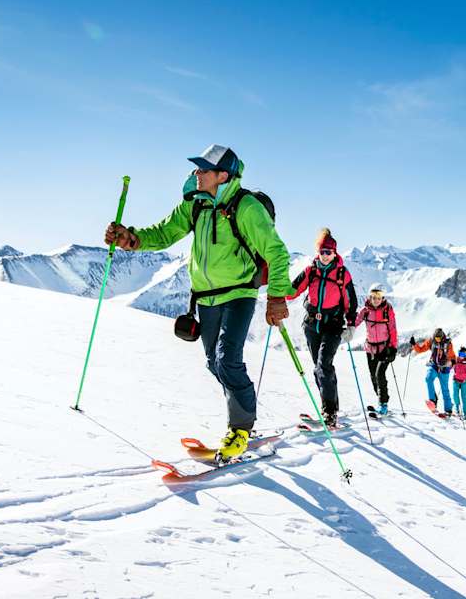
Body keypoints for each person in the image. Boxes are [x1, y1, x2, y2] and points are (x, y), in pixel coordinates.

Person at [104, 144, 293, 461]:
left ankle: (241, 429)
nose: (197, 173)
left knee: (227, 358)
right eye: (197, 168)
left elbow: (277, 252)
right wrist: (130, 238)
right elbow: (164, 233)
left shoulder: (246, 207)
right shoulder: (195, 204)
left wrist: (276, 297)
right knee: (213, 362)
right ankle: (243, 416)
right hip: (206, 297)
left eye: (204, 169)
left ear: (223, 175)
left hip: (240, 293)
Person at [287, 228, 358, 428]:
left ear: (335, 253)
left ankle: (330, 412)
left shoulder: (343, 274)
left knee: (324, 365)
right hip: (311, 325)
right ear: (318, 252)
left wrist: (351, 325)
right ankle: (329, 407)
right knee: (319, 369)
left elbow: (351, 302)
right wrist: (277, 291)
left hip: (333, 325)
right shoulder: (311, 271)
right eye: (322, 252)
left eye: (329, 252)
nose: (325, 256)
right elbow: (292, 290)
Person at [357, 283, 399, 414]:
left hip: (384, 348)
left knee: (379, 374)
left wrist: (393, 348)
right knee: (373, 376)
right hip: (370, 348)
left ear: (383, 297)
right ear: (369, 297)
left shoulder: (387, 310)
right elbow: (355, 321)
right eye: (373, 296)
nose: (376, 299)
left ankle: (383, 403)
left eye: (379, 296)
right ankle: (380, 400)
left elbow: (392, 329)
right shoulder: (365, 310)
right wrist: (347, 326)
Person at [409, 328, 454, 415]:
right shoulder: (431, 341)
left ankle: (448, 409)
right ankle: (433, 400)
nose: (437, 340)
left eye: (439, 338)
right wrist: (414, 344)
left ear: (442, 337)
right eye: (436, 338)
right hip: (434, 365)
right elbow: (421, 349)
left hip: (444, 368)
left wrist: (451, 362)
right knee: (428, 378)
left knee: (445, 389)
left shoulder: (447, 344)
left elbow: (452, 357)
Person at [451, 347, 466, 419]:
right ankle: (457, 408)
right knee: (455, 395)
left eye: (463, 354)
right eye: (460, 354)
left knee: (464, 397)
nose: (461, 356)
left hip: (464, 382)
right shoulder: (456, 360)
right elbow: (451, 366)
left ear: (465, 354)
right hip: (456, 380)